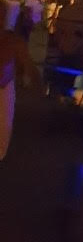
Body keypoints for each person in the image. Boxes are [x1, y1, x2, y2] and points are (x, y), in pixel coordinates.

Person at [0, 29, 41, 160]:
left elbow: (28, 66)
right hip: (5, 88)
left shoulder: (13, 41)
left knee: (2, 135)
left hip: (4, 90)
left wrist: (36, 83)